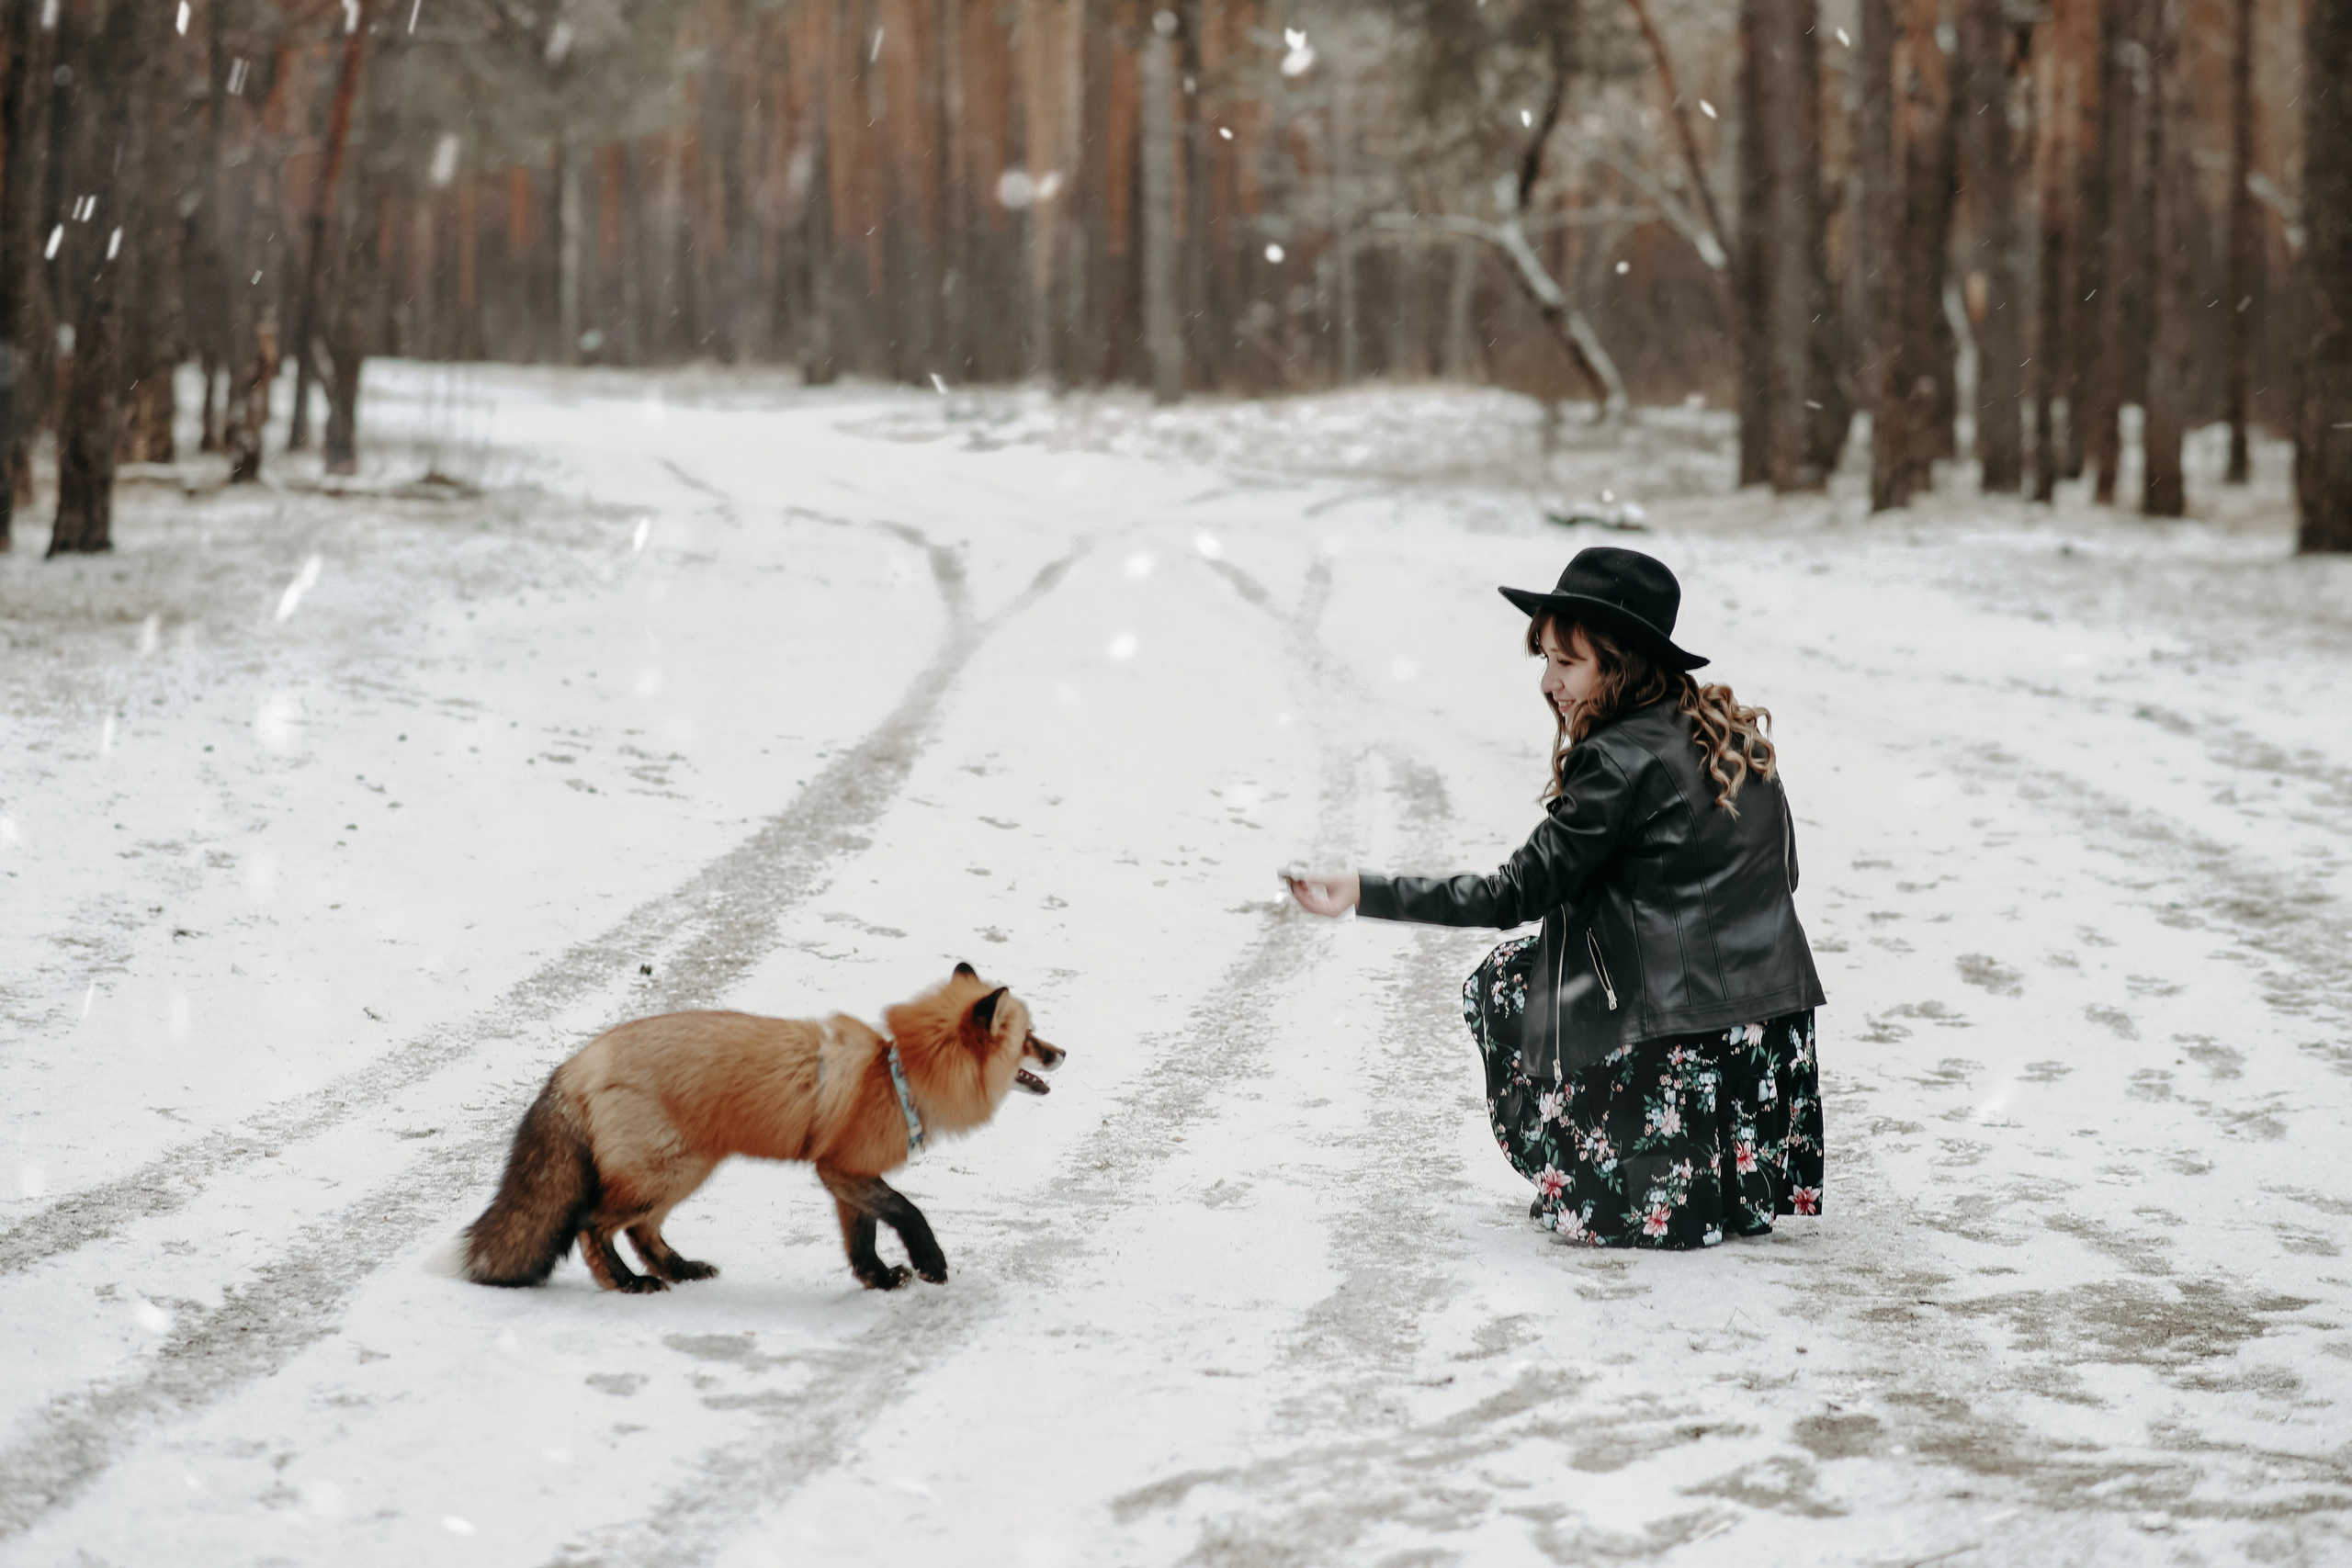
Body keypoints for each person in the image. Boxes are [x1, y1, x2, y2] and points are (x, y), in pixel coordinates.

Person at [1285, 547, 1824, 1248]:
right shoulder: (1730, 734)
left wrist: (1366, 891)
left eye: (1567, 663)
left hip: (1671, 1037)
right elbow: (1783, 872)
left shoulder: (1614, 760)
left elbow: (1514, 891)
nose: (1549, 683)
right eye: (1544, 659)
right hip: (1766, 1035)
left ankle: (1614, 1175)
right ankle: (1718, 1179)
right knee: (1544, 964)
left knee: (1504, 984)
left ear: (1621, 661)